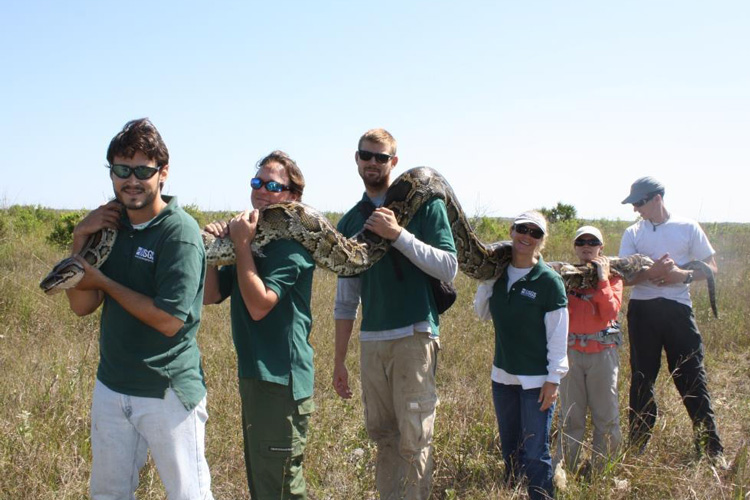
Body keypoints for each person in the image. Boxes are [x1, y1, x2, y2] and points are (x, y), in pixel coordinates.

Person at [64, 118, 213, 499]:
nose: (131, 180)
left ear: (163, 173)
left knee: (188, 495)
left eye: (143, 170)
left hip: (166, 392)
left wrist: (104, 282)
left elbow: (168, 320)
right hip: (111, 386)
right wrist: (80, 237)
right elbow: (82, 305)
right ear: (111, 172)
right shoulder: (107, 227)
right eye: (122, 170)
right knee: (108, 494)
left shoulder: (179, 232)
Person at [332, 128, 458, 499]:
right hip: (373, 341)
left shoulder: (426, 205)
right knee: (384, 438)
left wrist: (397, 234)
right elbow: (345, 298)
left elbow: (449, 267)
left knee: (414, 441)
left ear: (394, 162)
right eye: (366, 155)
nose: (373, 163)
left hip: (415, 335)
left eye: (381, 157)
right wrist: (339, 360)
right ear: (356, 159)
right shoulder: (351, 221)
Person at [203, 151, 315, 499]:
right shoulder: (252, 237)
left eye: (272, 185)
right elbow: (210, 294)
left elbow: (258, 305)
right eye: (257, 182)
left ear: (293, 196)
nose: (261, 191)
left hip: (281, 380)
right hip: (256, 374)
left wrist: (239, 244)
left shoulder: (289, 246)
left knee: (281, 488)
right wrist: (211, 247)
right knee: (264, 484)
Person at [619, 177, 725, 465]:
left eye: (639, 203)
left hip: (678, 311)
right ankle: (637, 446)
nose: (635, 210)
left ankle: (712, 450)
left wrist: (682, 275)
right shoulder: (632, 233)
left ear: (657, 199)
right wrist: (651, 273)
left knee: (692, 376)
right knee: (642, 379)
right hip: (643, 313)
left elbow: (711, 267)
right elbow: (623, 279)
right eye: (633, 204)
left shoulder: (687, 227)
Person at [474, 211, 568, 500]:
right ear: (512, 231)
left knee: (536, 450)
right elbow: (481, 313)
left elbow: (558, 336)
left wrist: (553, 380)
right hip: (502, 376)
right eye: (522, 229)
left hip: (537, 382)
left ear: (541, 240)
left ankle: (542, 495)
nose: (527, 236)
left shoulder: (549, 281)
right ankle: (512, 492)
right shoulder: (499, 275)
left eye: (535, 232)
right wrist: (488, 279)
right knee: (510, 447)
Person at [555, 226, 623, 475]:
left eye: (592, 241)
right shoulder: (564, 277)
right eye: (581, 241)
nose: (586, 245)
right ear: (575, 247)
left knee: (606, 415)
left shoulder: (614, 277)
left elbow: (610, 312)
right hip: (571, 352)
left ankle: (602, 471)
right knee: (571, 415)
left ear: (600, 248)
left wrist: (602, 279)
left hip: (602, 352)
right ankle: (566, 469)